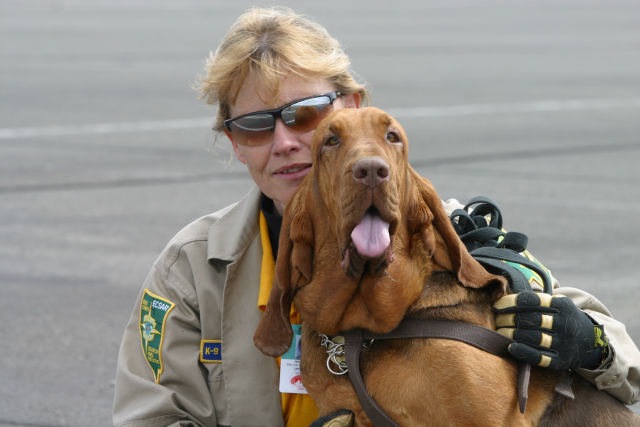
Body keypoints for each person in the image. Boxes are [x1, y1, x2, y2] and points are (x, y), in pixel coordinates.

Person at [113, 7, 640, 427]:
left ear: (351, 103)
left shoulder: (444, 232)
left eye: (307, 113)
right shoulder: (192, 269)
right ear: (232, 140)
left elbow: (624, 370)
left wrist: (591, 345)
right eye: (254, 124)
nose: (287, 143)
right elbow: (150, 417)